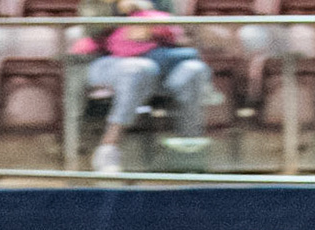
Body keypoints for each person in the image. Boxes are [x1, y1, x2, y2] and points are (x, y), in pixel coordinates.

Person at [76, 0, 213, 175]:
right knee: (140, 69)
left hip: (161, 58)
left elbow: (176, 26)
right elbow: (90, 29)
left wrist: (152, 25)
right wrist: (119, 10)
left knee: (194, 70)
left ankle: (188, 152)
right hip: (109, 59)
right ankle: (108, 148)